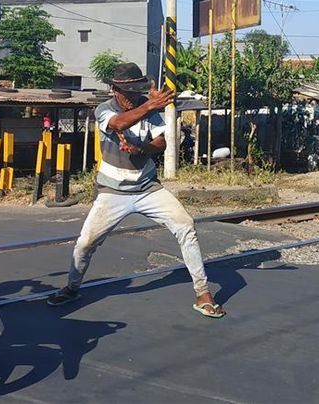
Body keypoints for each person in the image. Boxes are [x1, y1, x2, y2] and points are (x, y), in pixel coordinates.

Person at [47, 62, 226, 318]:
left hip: (148, 188)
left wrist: (142, 149)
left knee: (185, 225)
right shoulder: (104, 110)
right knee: (85, 243)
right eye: (127, 93)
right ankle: (72, 287)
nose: (133, 97)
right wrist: (150, 105)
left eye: (136, 92)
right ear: (115, 91)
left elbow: (161, 141)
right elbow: (118, 124)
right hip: (112, 192)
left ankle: (203, 292)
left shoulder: (147, 107)